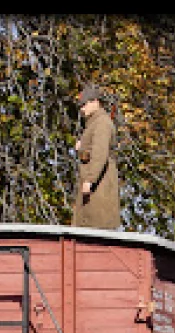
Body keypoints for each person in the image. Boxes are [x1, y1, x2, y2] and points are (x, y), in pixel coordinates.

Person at [72, 83, 120, 230]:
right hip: (93, 184)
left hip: (99, 185)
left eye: (84, 104)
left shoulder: (102, 123)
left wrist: (90, 180)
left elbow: (100, 154)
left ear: (95, 102)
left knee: (96, 225)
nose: (82, 109)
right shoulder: (93, 123)